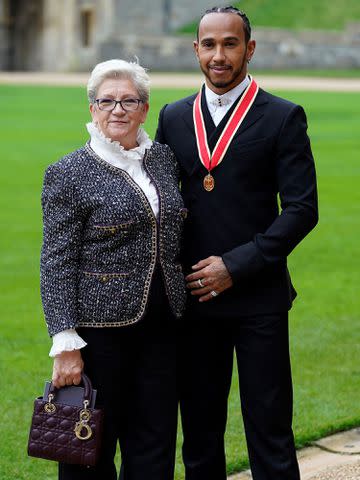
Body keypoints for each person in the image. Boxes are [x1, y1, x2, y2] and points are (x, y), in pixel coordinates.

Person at [155, 6, 318, 480]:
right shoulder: (174, 116)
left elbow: (302, 210)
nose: (219, 55)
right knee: (201, 438)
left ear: (249, 49)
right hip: (195, 300)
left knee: (269, 434)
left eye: (230, 44)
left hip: (258, 300)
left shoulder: (283, 116)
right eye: (209, 45)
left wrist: (236, 265)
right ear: (196, 50)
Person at [40, 59, 187, 480]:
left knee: (153, 447)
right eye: (107, 101)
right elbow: (56, 261)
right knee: (88, 451)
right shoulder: (67, 173)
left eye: (129, 101)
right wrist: (65, 342)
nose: (117, 110)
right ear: (93, 109)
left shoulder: (162, 159)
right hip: (99, 335)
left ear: (144, 108)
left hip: (162, 328)